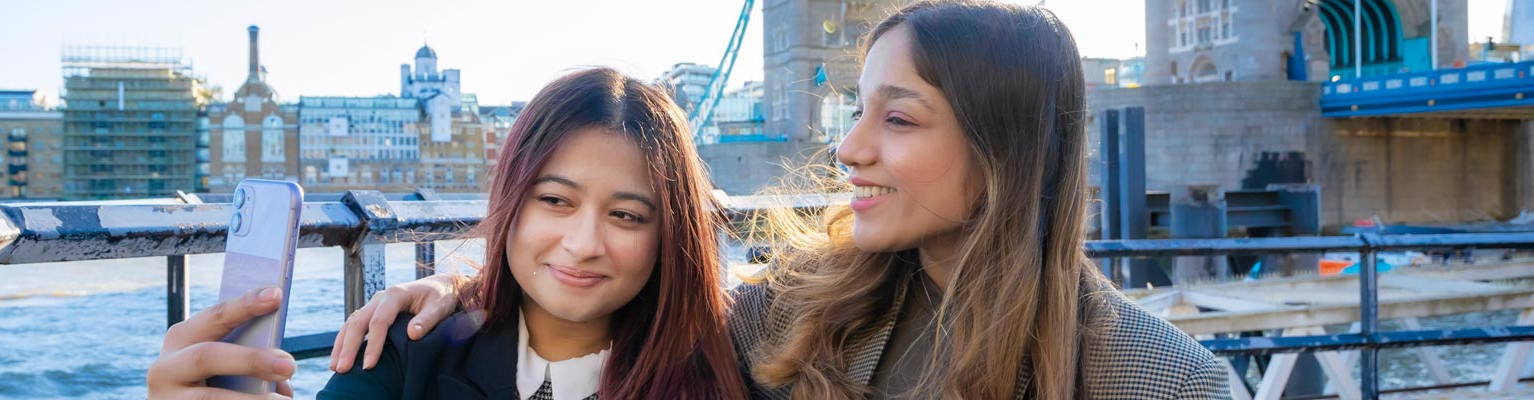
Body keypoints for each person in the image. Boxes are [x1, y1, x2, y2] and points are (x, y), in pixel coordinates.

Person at [329, 1, 1233, 399]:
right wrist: (459, 298)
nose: (848, 147)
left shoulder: (1167, 382)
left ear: (1005, 147)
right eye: (855, 109)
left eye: (900, 118)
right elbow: (602, 309)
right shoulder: (799, 315)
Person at [149, 67, 748, 400]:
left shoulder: (736, 361)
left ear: (670, 232)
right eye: (555, 200)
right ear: (509, 201)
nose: (585, 241)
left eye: (626, 215)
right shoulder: (406, 349)